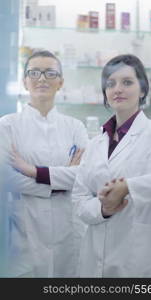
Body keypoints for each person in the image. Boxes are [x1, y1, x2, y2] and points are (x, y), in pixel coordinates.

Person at [72, 54, 151, 278]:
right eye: (110, 84)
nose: (117, 89)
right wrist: (103, 209)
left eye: (127, 82)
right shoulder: (95, 143)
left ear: (142, 89)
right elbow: (78, 199)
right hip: (93, 258)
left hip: (135, 258)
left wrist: (129, 187)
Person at [0, 50, 88, 277]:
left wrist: (31, 171)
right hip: (25, 228)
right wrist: (59, 182)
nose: (42, 78)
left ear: (60, 82)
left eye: (50, 73)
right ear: (25, 81)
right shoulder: (7, 126)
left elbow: (83, 176)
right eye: (34, 72)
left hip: (67, 228)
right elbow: (6, 177)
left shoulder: (75, 127)